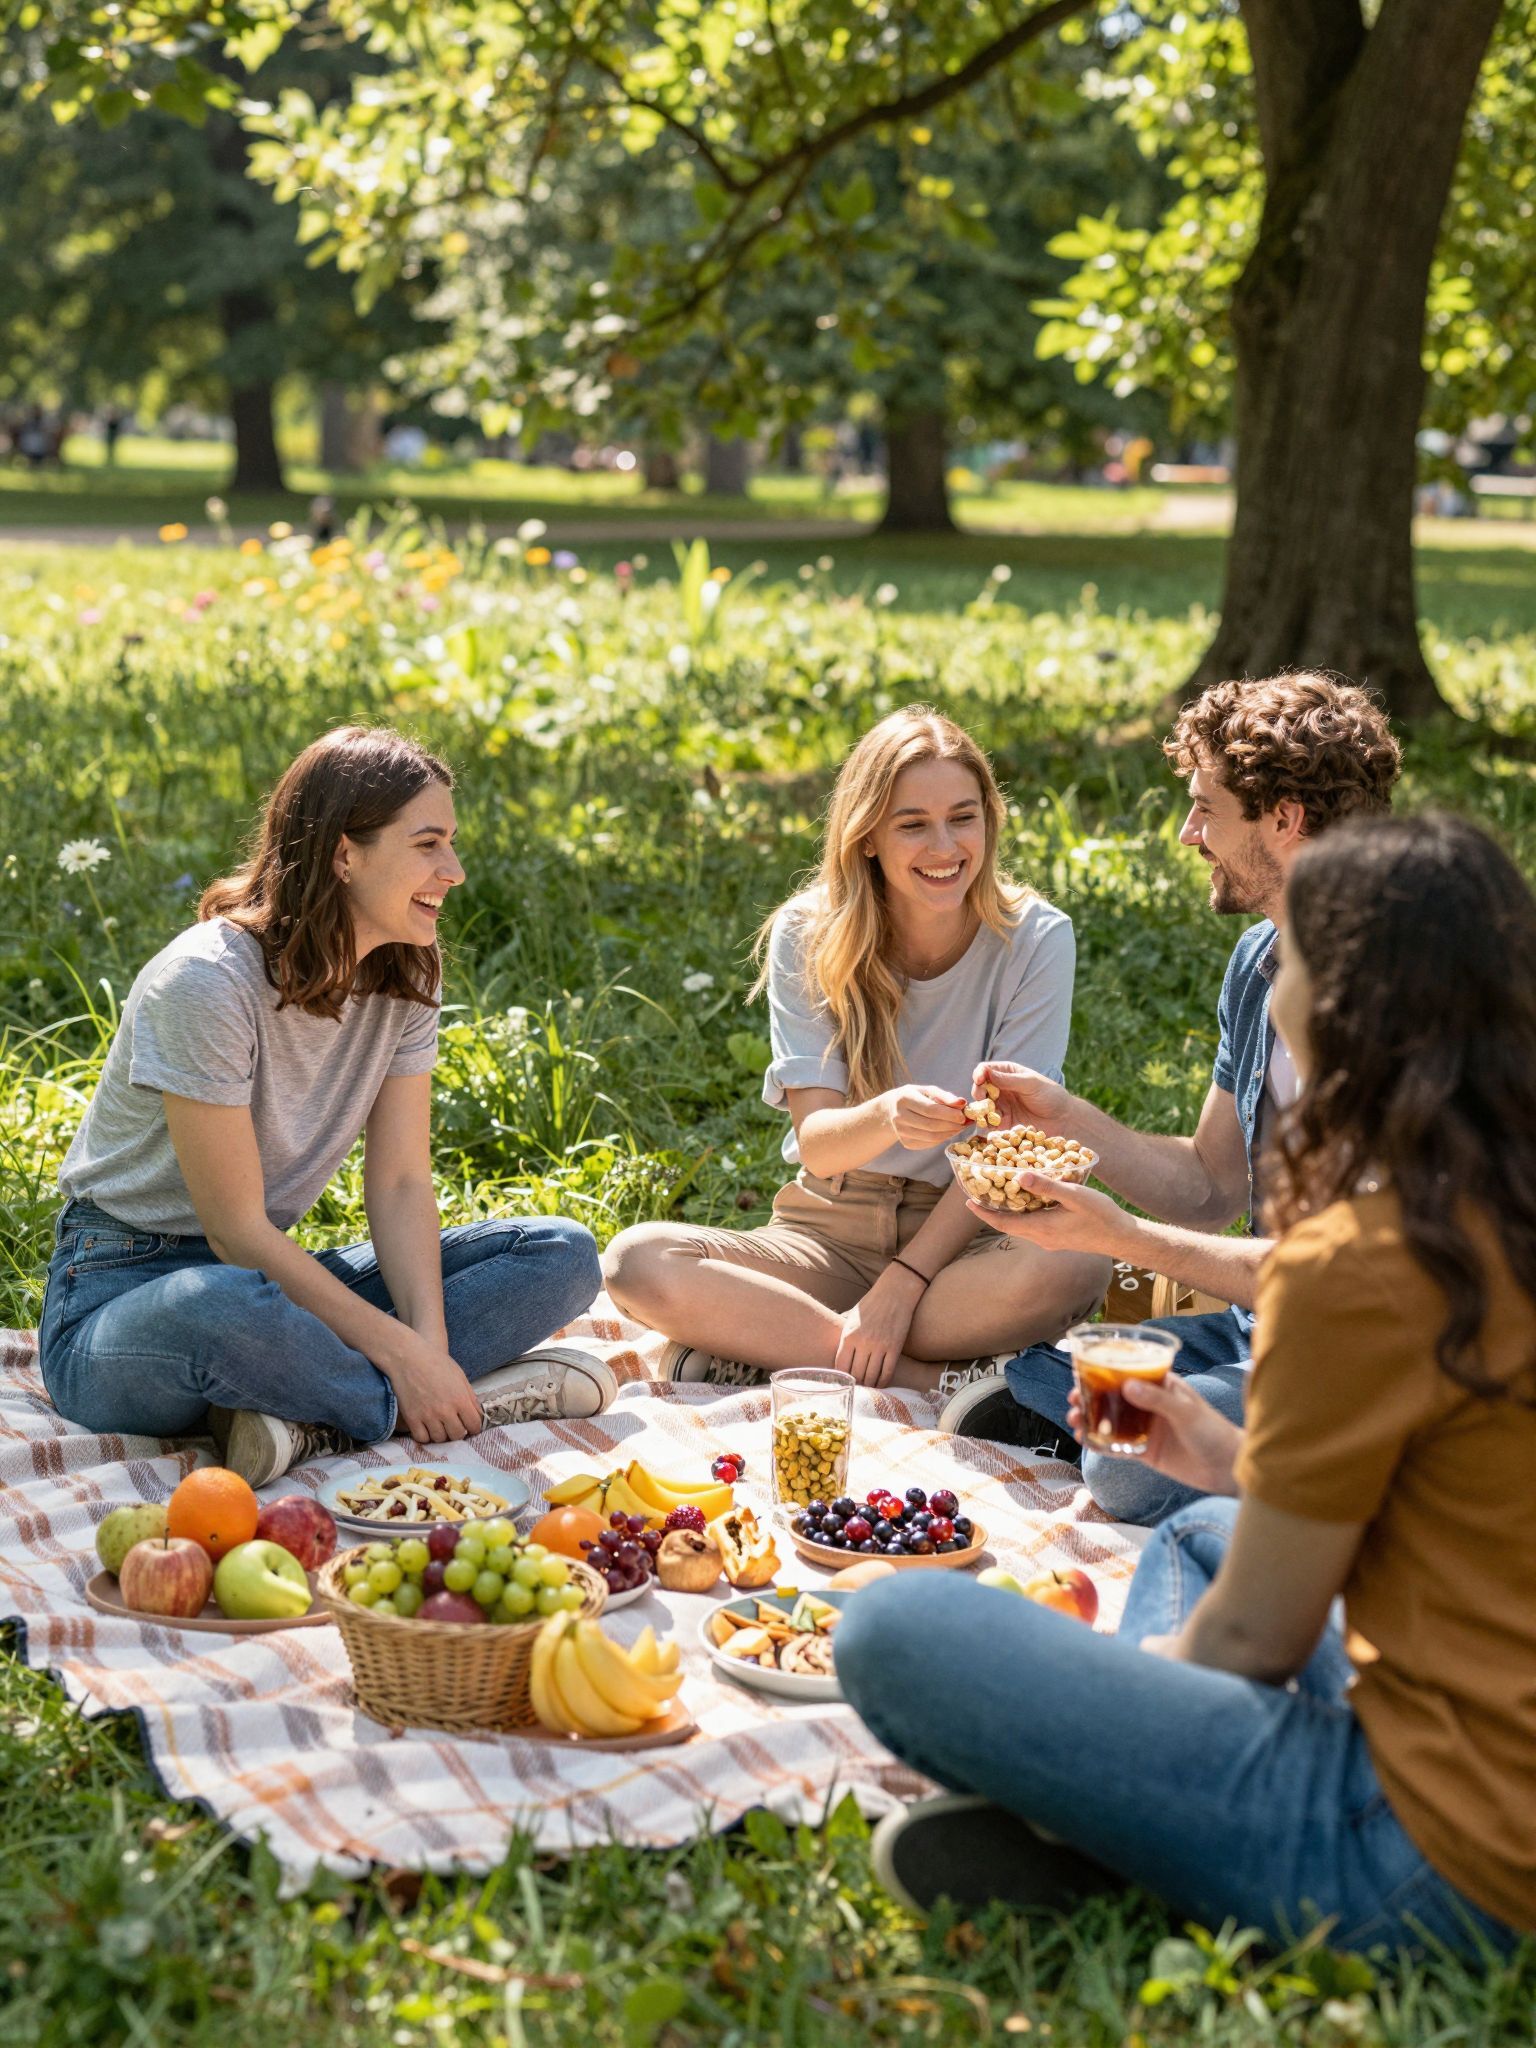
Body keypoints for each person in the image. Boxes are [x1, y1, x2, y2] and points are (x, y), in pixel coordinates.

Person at [837, 812, 1536, 1954]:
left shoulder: (1361, 1263)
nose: (1277, 978)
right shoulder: (1496, 1199)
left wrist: (1106, 1719)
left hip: (1429, 1851)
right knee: (1203, 1526)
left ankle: (1127, 1835)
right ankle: (1154, 1819)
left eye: (1294, 957)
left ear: (1349, 1003)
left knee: (893, 1622)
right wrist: (1223, 1457)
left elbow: (1252, 1638)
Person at [38, 726, 611, 1488]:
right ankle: (422, 1403)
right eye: (429, 844)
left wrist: (426, 1347)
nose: (456, 871)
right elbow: (236, 1232)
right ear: (345, 855)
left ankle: (315, 1412)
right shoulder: (207, 984)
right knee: (224, 1305)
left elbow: (403, 1183)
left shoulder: (408, 970)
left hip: (270, 1287)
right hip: (130, 1298)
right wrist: (402, 1358)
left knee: (560, 1252)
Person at [939, 671, 1401, 1527]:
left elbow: (1354, 1279)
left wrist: (1120, 1239)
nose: (1189, 833)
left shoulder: (1404, 999)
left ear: (1285, 819)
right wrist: (1064, 1116)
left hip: (1378, 1353)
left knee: (1125, 1468)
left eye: (1205, 808)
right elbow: (1210, 1189)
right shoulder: (1261, 964)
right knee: (1076, 1369)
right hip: (1271, 1328)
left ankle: (1338, 1474)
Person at [602, 706, 1108, 1393]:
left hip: (972, 1233)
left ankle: (772, 1343)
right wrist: (886, 1117)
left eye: (964, 817)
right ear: (867, 835)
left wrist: (903, 1282)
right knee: (637, 1263)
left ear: (991, 819)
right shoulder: (809, 932)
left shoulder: (1037, 938)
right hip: (830, 1228)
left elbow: (1002, 1147)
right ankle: (928, 1381)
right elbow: (818, 1145)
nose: (945, 847)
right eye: (912, 824)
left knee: (1076, 1262)